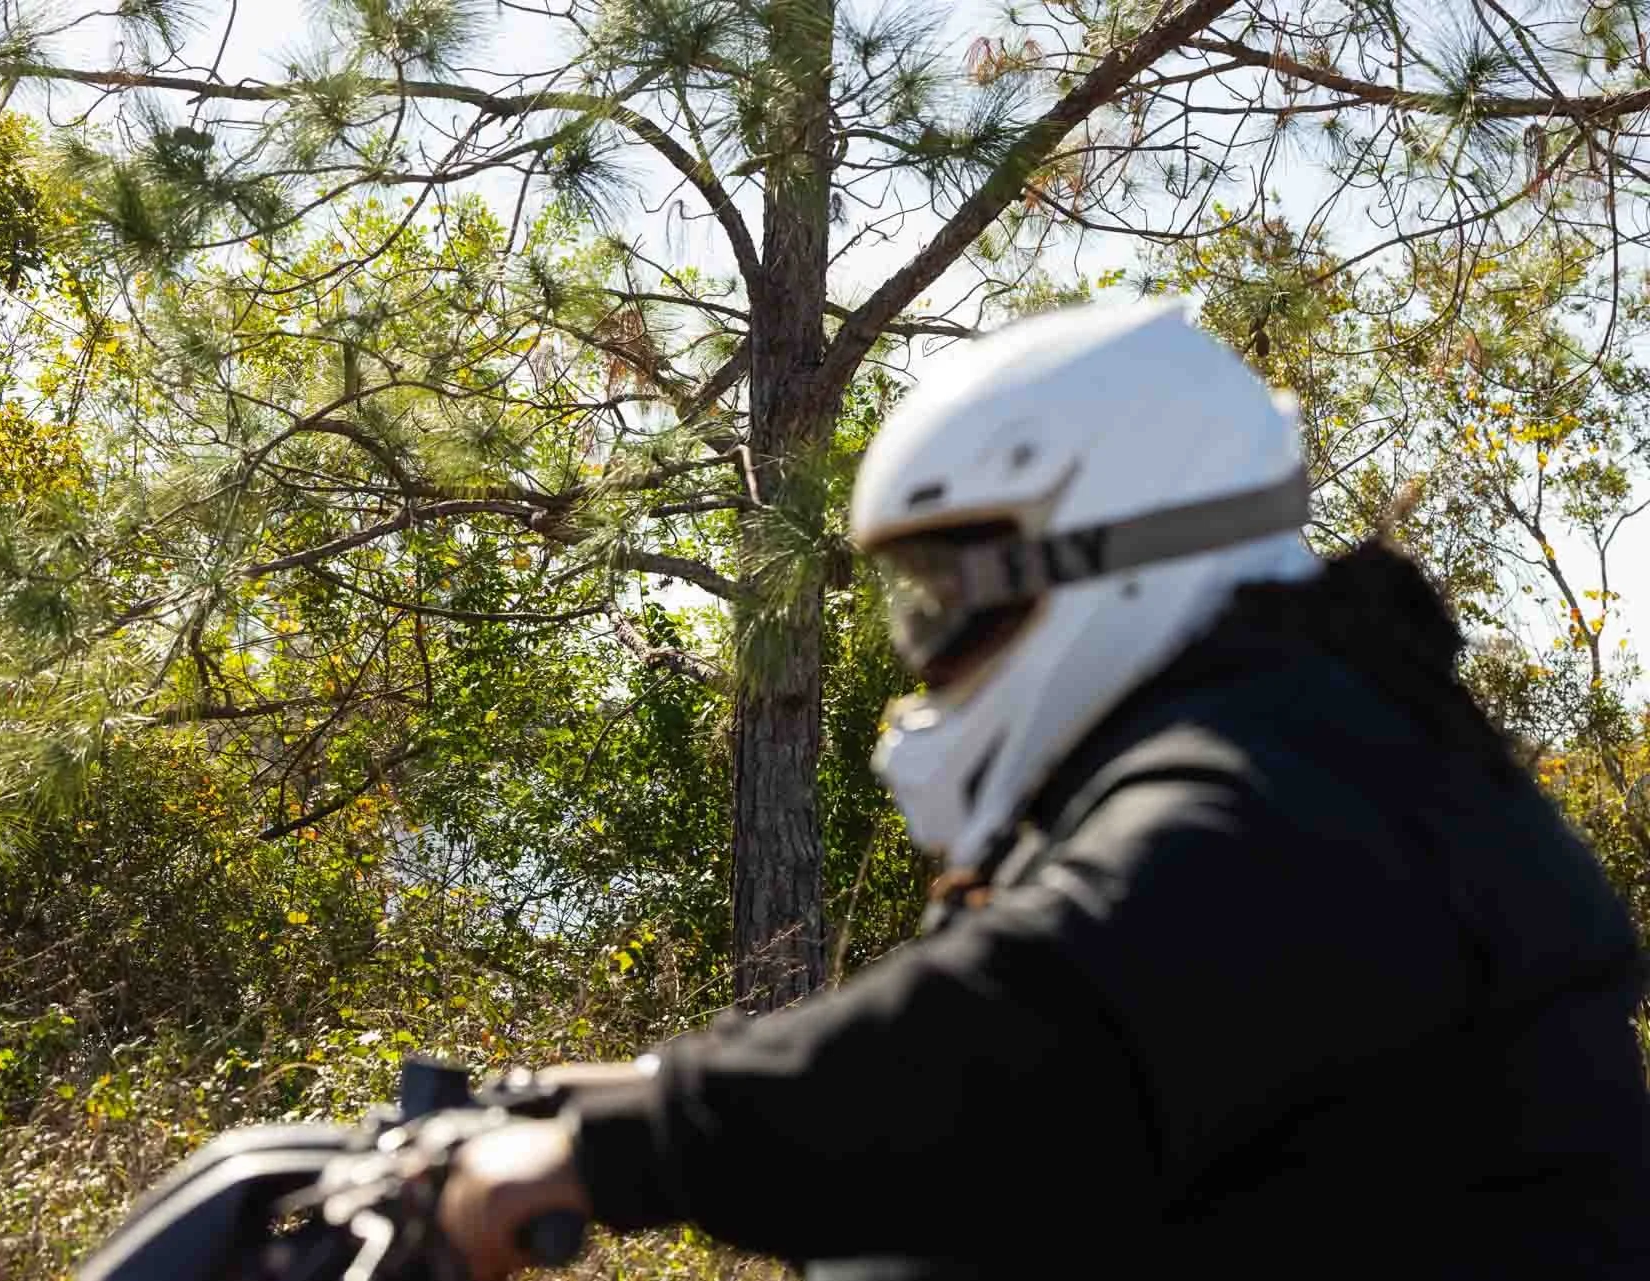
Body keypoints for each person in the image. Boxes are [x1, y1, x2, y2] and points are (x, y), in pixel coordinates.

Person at [438, 301, 1650, 1279]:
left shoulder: (1299, 785)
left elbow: (1022, 1024)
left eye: (951, 593)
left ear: (1103, 557)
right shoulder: (1306, 732)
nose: (928, 645)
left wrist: (624, 1147)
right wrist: (575, 1098)